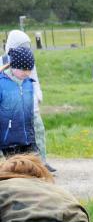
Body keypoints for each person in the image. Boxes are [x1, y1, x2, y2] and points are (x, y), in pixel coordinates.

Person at [3, 30, 55, 172]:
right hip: (12, 110)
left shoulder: (28, 60)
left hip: (30, 106)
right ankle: (15, 166)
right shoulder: (4, 61)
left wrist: (38, 95)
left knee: (38, 132)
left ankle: (41, 162)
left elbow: (34, 80)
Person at [0, 48, 37, 158]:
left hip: (29, 140)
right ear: (13, 66)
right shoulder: (2, 84)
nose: (27, 73)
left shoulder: (29, 83)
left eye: (30, 69)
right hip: (9, 143)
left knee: (34, 166)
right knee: (16, 168)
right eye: (24, 69)